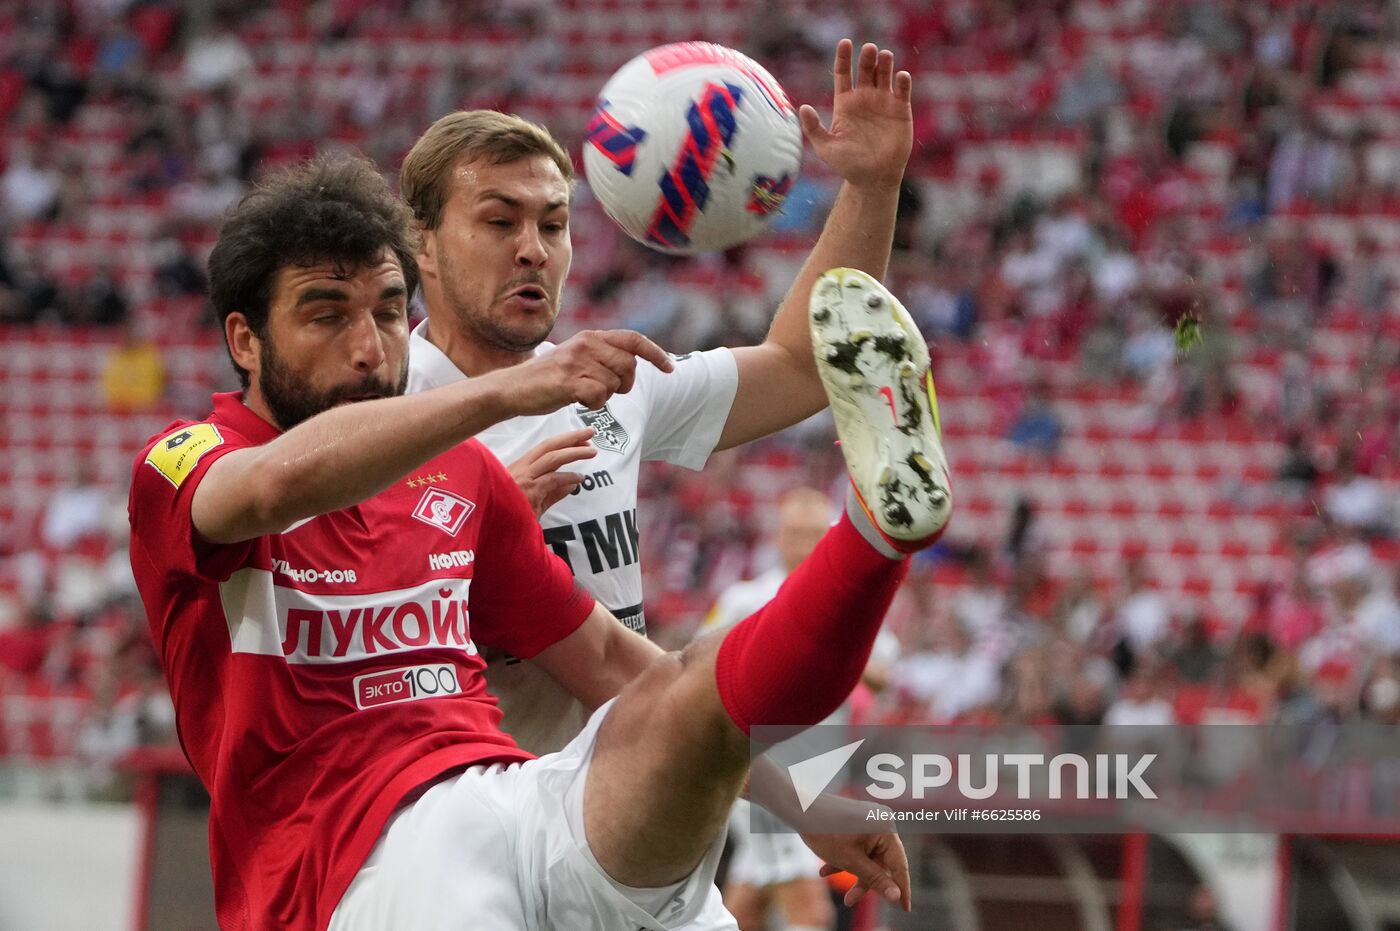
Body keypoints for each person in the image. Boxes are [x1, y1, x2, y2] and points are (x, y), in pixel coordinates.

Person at [126, 153, 952, 930]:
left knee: (698, 671)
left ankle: (875, 534)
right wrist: (512, 392)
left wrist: (808, 800)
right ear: (245, 340)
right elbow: (274, 487)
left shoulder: (462, 474)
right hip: (353, 858)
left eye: (386, 310)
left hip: (522, 793)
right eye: (325, 315)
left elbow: (613, 664)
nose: (370, 346)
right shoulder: (186, 462)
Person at [401, 39, 922, 755]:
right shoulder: (371, 419)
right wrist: (476, 548)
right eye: (499, 222)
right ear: (421, 243)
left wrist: (870, 189)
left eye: (553, 225)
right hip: (471, 826)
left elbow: (801, 366)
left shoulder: (608, 382)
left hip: (631, 814)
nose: (534, 249)